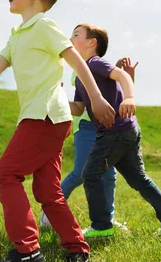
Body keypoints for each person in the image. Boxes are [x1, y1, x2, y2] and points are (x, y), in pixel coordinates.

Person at [0, 0, 115, 262]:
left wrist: (98, 98)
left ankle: (27, 250)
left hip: (44, 116)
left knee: (5, 176)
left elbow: (76, 61)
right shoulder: (17, 37)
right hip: (46, 119)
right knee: (48, 190)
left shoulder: (44, 26)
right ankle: (77, 248)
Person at [70, 23, 161, 239]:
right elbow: (79, 108)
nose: (70, 39)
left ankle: (101, 226)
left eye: (75, 35)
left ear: (92, 43)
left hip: (115, 131)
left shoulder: (95, 63)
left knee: (90, 174)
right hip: (125, 131)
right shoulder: (80, 76)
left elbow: (122, 76)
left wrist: (130, 97)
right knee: (138, 179)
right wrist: (57, 101)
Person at [40, 57, 138, 230]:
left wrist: (126, 75)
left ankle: (107, 220)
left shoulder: (102, 66)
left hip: (108, 124)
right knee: (79, 173)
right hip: (87, 126)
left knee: (109, 175)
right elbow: (82, 104)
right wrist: (57, 98)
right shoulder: (81, 67)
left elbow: (115, 94)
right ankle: (49, 213)